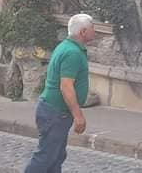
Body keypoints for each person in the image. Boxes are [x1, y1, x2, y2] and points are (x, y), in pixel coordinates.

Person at [24, 14, 96, 173]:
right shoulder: (72, 53)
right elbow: (66, 86)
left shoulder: (67, 46)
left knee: (56, 157)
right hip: (56, 113)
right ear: (83, 32)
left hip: (54, 111)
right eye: (92, 28)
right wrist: (78, 115)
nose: (94, 31)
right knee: (46, 157)